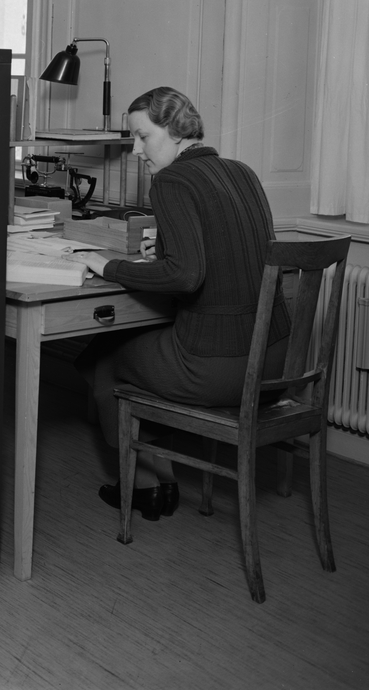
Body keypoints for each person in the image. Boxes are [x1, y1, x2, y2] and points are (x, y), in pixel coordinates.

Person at [71, 87, 290, 521]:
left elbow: (186, 277)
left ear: (175, 131)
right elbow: (231, 250)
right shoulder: (241, 171)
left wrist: (108, 265)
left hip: (219, 367)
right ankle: (162, 478)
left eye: (142, 137)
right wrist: (168, 251)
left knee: (100, 359)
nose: (136, 151)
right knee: (136, 342)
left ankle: (146, 487)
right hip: (272, 362)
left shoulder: (171, 181)